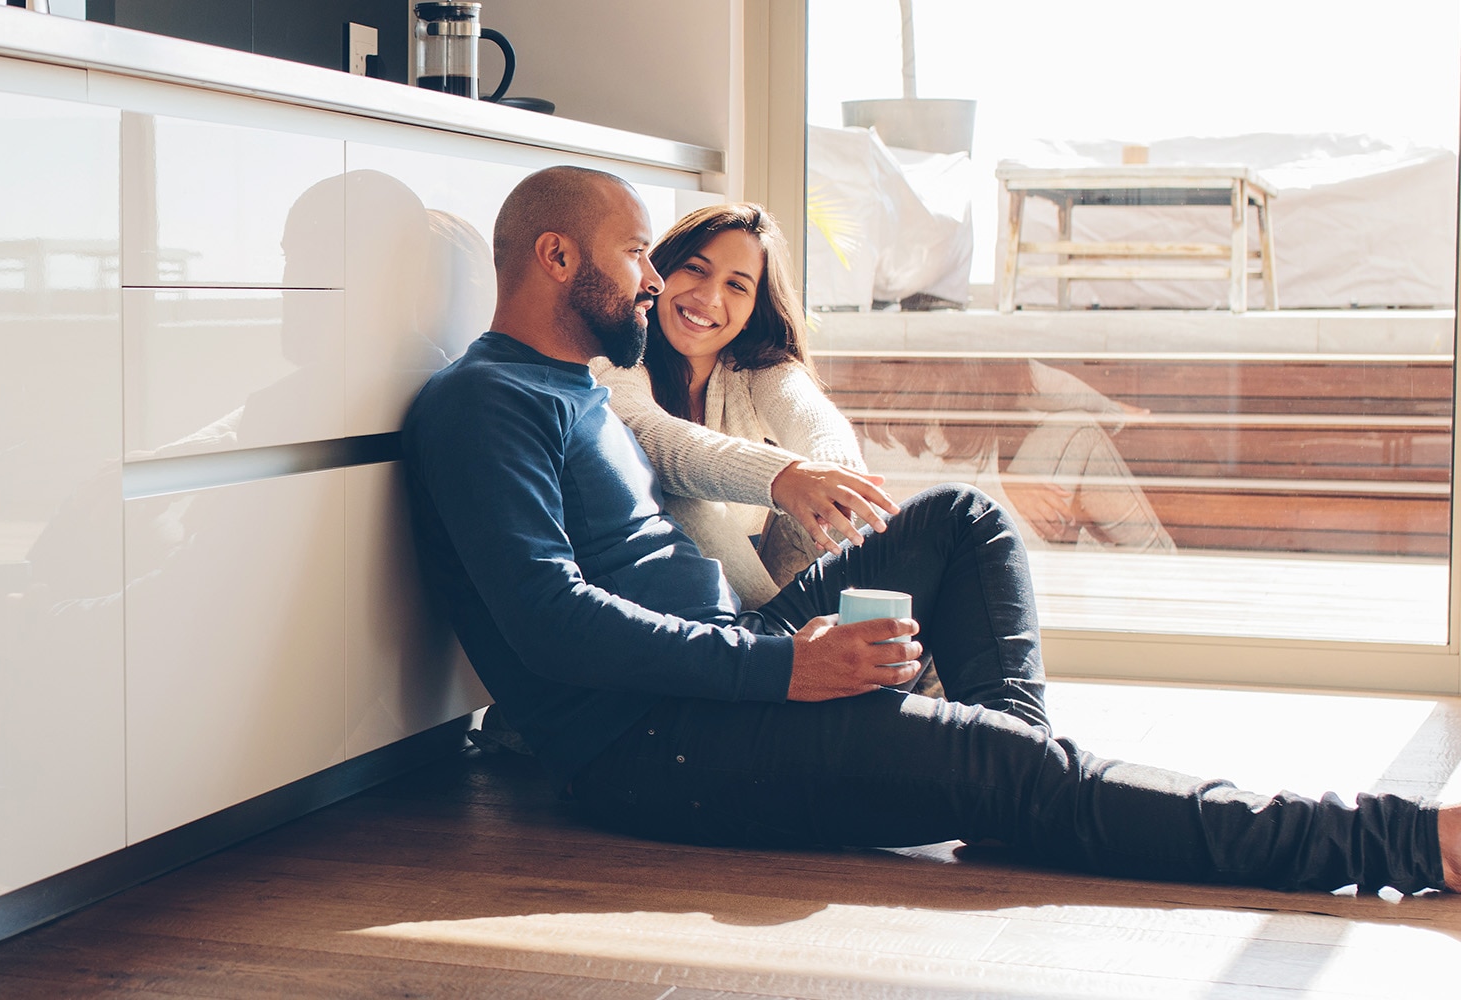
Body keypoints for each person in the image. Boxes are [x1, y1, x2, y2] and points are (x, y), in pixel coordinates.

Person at [400, 164, 1457, 893]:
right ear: (554, 257)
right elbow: (549, 623)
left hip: (733, 663)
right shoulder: (483, 404)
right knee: (1017, 772)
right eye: (636, 253)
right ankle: (1410, 840)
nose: (648, 274)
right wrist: (783, 675)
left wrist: (780, 643)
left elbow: (743, 451)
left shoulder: (579, 383)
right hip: (657, 746)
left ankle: (1015, 783)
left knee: (964, 520)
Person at [590, 203, 875, 605]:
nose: (708, 297)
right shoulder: (617, 358)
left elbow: (813, 420)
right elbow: (649, 435)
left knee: (961, 511)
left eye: (737, 286)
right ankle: (784, 639)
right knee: (682, 494)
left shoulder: (757, 368)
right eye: (695, 268)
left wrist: (837, 479)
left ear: (751, 312)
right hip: (665, 593)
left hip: (763, 571)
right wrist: (784, 477)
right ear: (661, 272)